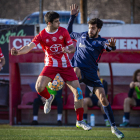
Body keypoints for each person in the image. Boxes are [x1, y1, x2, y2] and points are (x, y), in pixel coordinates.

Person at [11, 11, 91, 130]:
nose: (59, 23)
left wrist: (69, 50)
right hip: (50, 65)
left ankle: (80, 121)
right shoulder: (42, 34)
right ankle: (49, 98)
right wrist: (18, 52)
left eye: (59, 21)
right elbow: (28, 47)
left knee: (78, 92)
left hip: (65, 66)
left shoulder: (63, 31)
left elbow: (72, 47)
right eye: (56, 21)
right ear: (49, 23)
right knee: (39, 87)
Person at [67, 4, 124, 139]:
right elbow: (68, 33)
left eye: (93, 28)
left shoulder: (101, 42)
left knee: (103, 99)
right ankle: (79, 119)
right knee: (76, 71)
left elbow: (109, 48)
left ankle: (114, 128)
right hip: (78, 70)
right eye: (89, 27)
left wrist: (112, 46)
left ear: (98, 29)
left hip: (92, 74)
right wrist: (72, 17)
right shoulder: (81, 36)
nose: (90, 30)